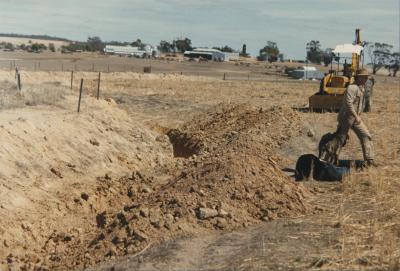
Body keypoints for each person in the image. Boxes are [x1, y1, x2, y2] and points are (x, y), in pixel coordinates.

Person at [336, 68, 376, 166]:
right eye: (365, 77)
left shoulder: (361, 88)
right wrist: (356, 116)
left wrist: (357, 116)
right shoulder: (352, 88)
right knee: (341, 139)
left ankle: (369, 160)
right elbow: (348, 103)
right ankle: (332, 158)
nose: (367, 78)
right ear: (359, 77)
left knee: (366, 135)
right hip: (346, 118)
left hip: (354, 118)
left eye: (367, 77)